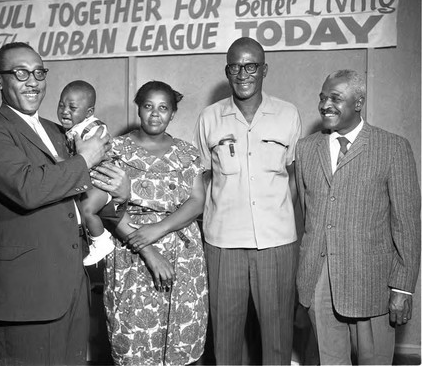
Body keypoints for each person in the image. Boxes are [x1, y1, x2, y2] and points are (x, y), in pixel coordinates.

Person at [0, 42, 130, 365]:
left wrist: (120, 194)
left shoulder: (58, 132)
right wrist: (85, 160)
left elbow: (82, 195)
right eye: (21, 73)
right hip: (26, 293)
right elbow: (27, 188)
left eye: (39, 72)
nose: (33, 81)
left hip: (70, 289)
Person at [295, 69, 421, 364]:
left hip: (373, 284)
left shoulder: (393, 147)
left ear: (359, 101)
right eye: (323, 97)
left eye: (335, 98)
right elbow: (307, 216)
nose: (325, 105)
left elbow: (407, 225)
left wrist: (402, 287)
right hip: (320, 282)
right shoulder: (305, 149)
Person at [193, 37, 302, 365]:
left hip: (277, 242)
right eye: (235, 67)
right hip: (224, 243)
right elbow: (202, 177)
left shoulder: (287, 114)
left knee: (278, 335)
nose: (243, 73)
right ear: (227, 72)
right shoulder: (210, 118)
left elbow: (295, 173)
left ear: (264, 69)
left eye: (251, 66)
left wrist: (277, 211)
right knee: (225, 336)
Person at [104, 81, 208, 365]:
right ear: (138, 108)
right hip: (132, 249)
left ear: (173, 113)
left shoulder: (186, 153)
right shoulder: (115, 149)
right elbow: (104, 206)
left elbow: (197, 201)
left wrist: (159, 229)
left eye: (163, 108)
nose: (154, 114)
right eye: (148, 106)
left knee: (180, 336)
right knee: (134, 336)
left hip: (183, 255)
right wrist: (145, 243)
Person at [57, 79, 115, 265]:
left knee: (87, 211)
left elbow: (94, 154)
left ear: (89, 112)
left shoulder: (94, 129)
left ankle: (102, 242)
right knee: (80, 212)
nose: (65, 111)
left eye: (72, 108)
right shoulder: (70, 129)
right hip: (88, 181)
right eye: (61, 105)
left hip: (102, 181)